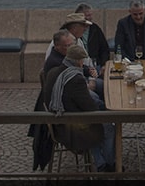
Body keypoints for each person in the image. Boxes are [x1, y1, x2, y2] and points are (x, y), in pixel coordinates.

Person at [41, 44, 115, 172]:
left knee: (98, 116)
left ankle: (100, 162)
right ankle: (110, 164)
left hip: (57, 120)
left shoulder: (54, 72)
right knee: (109, 127)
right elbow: (90, 108)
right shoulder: (75, 79)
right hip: (70, 126)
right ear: (79, 61)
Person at [74, 2, 111, 68]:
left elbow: (104, 49)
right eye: (87, 16)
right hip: (79, 65)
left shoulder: (95, 29)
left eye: (90, 15)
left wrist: (103, 65)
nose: (90, 18)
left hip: (95, 64)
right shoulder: (71, 32)